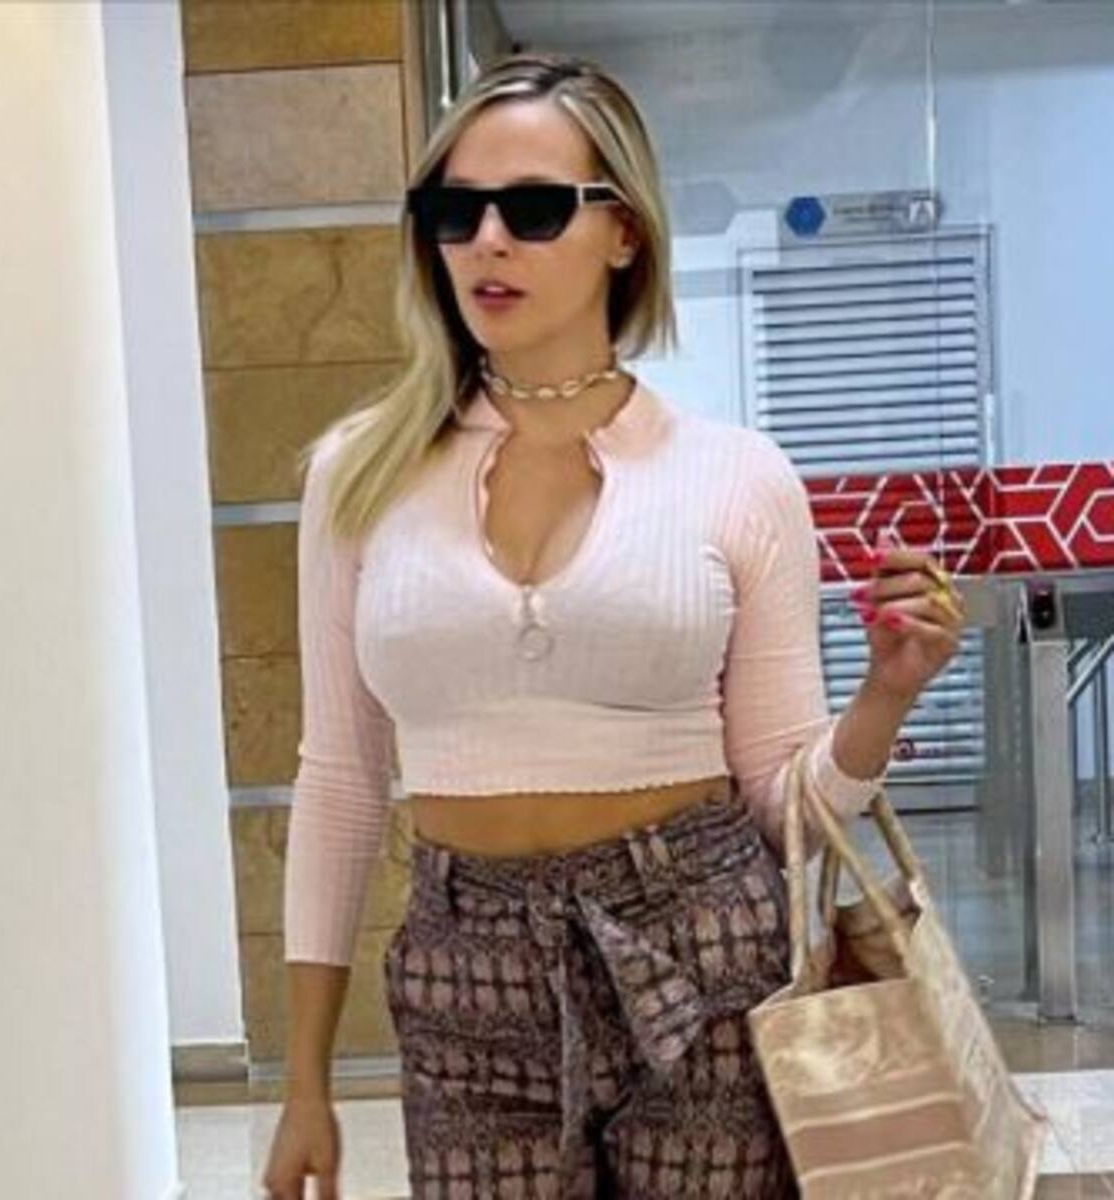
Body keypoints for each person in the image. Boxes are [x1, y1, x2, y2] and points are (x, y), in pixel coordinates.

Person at [261, 50, 965, 1200]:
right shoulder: (361, 474)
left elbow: (785, 809)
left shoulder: (735, 477)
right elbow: (339, 777)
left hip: (702, 939)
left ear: (623, 231)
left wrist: (886, 695)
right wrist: (305, 1079)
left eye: (535, 209)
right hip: (465, 966)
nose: (488, 241)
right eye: (456, 212)